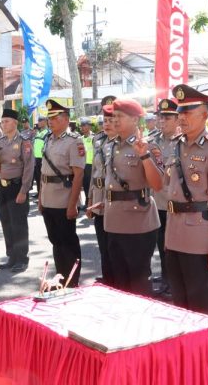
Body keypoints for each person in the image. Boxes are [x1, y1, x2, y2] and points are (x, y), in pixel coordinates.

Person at [163, 84, 208, 316]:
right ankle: (185, 351)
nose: (181, 117)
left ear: (204, 114)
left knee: (200, 305)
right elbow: (163, 185)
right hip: (173, 233)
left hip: (200, 236)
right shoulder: (175, 145)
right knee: (179, 303)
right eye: (180, 112)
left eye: (188, 112)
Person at [100, 99, 163, 295]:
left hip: (138, 222)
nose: (114, 121)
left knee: (138, 281)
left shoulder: (147, 146)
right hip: (113, 220)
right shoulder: (111, 145)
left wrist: (144, 156)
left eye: (120, 116)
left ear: (135, 119)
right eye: (113, 116)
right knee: (120, 281)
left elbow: (158, 184)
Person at [38, 99, 85, 287]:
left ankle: (72, 281)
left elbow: (79, 175)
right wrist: (41, 199)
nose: (50, 121)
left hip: (64, 199)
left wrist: (73, 204)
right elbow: (43, 173)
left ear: (66, 119)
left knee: (68, 243)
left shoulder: (74, 141)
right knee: (56, 242)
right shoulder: (48, 139)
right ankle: (61, 279)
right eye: (49, 118)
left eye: (55, 117)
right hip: (48, 198)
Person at [0, 109, 34, 273]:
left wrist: (24, 190)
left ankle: (22, 258)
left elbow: (28, 167)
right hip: (3, 187)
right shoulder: (1, 141)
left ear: (15, 123)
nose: (3, 124)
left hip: (17, 186)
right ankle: (11, 256)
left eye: (6, 121)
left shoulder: (24, 141)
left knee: (18, 223)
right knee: (6, 222)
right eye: (2, 121)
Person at [149, 98, 180, 296]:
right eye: (161, 117)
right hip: (157, 202)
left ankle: (174, 280)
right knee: (161, 243)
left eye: (167, 117)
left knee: (175, 245)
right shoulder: (153, 140)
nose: (162, 121)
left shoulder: (183, 141)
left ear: (177, 119)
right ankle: (166, 278)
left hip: (176, 203)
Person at [86, 98, 117, 284]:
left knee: (114, 244)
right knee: (102, 242)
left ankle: (116, 279)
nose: (107, 124)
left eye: (111, 120)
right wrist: (90, 199)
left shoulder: (122, 142)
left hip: (113, 198)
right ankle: (107, 276)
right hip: (98, 196)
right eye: (104, 120)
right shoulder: (98, 140)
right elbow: (94, 173)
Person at [79, 117, 94, 211]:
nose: (82, 127)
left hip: (91, 165)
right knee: (85, 185)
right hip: (82, 165)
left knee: (91, 185)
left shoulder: (94, 138)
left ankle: (91, 203)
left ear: (89, 126)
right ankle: (86, 203)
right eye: (81, 126)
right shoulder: (80, 139)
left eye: (84, 125)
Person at [32, 118, 49, 197]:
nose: (38, 122)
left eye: (40, 121)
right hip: (36, 158)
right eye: (38, 121)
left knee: (43, 178)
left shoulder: (48, 132)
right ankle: (39, 193)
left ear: (45, 122)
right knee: (38, 177)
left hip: (43, 159)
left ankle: (43, 195)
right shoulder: (38, 132)